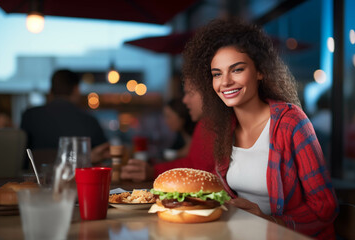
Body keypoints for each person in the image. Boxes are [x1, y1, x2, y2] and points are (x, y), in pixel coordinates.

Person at [182, 18, 338, 239]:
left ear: (260, 71)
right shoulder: (225, 129)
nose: (225, 82)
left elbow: (325, 206)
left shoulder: (291, 123)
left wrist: (272, 222)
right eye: (217, 74)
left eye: (236, 69)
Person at [120, 78, 216, 182]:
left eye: (190, 93)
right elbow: (191, 163)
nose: (184, 100)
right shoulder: (203, 125)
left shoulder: (208, 126)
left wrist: (154, 171)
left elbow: (199, 169)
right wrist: (153, 171)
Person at [20, 69, 110, 166]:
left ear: (51, 91)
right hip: (75, 179)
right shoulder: (89, 121)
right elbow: (104, 154)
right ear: (76, 90)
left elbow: (21, 156)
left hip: (35, 179)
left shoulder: (30, 116)